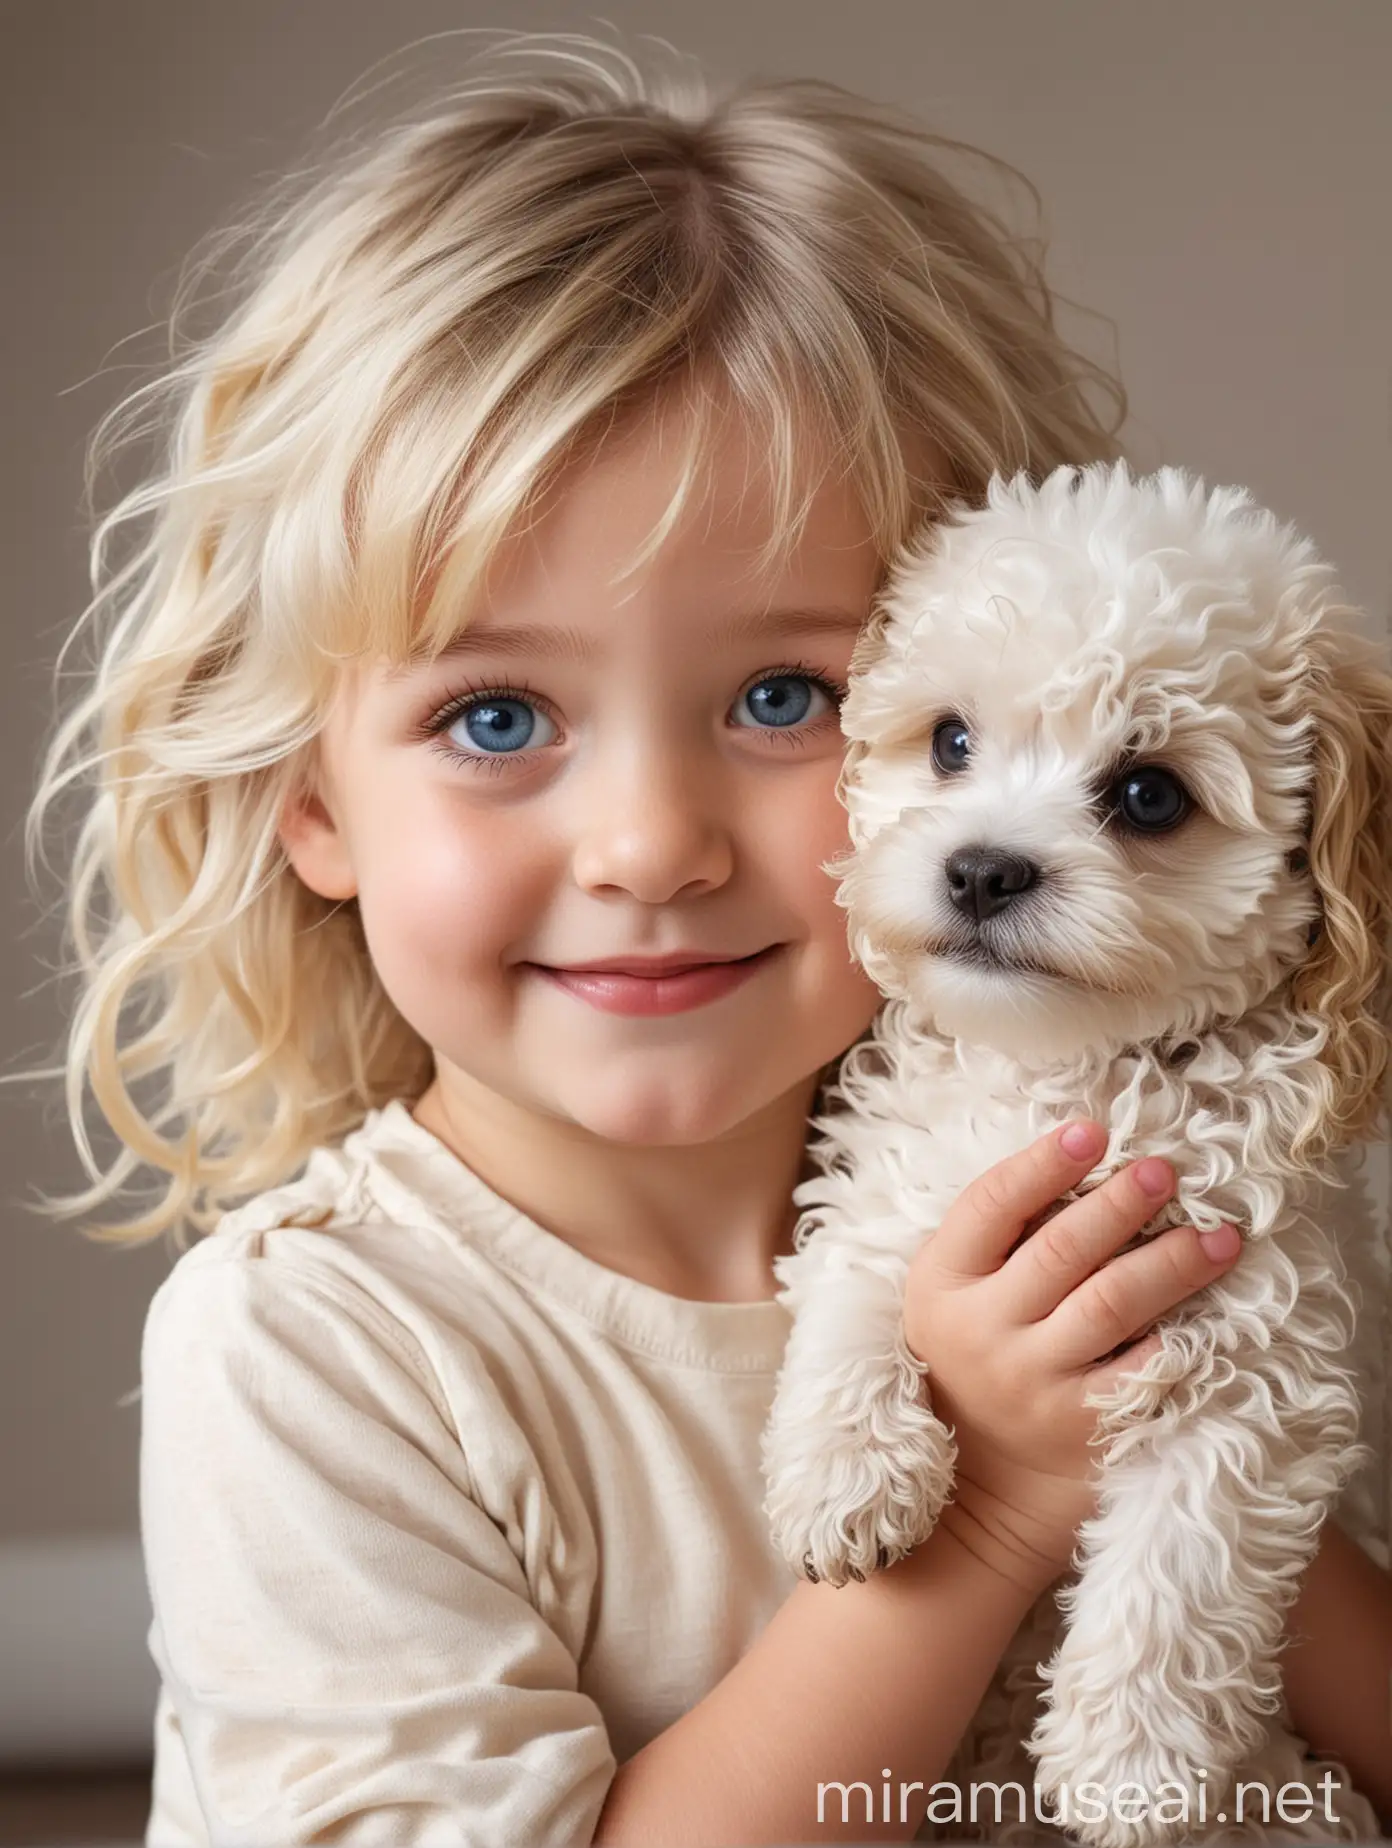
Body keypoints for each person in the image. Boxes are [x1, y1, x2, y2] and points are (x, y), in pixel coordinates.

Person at [25, 31, 1390, 1847]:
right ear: (312, 800)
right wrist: (991, 1512)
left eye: (778, 694)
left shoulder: (1129, 1187)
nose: (652, 845)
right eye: (497, 719)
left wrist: (1194, 1438)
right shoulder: (316, 1348)